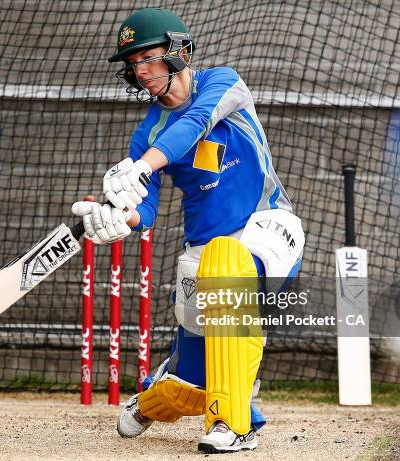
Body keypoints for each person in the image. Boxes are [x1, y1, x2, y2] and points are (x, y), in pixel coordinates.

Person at [72, 7, 305, 454]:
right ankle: (152, 399)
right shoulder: (146, 135)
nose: (141, 72)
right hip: (201, 249)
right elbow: (148, 212)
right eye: (134, 65)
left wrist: (142, 166)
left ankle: (236, 425)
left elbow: (195, 123)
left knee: (228, 263)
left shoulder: (223, 83)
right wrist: (119, 220)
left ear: (178, 51)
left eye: (150, 58)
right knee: (192, 385)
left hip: (267, 227)